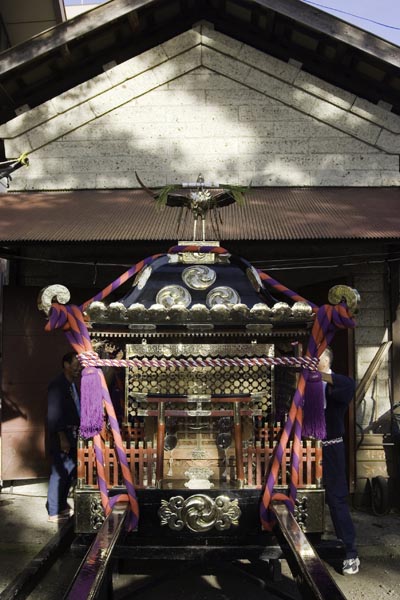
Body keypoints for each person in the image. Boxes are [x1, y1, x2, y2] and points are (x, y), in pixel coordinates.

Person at [318, 346, 360, 576]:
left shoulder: (337, 383)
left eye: (317, 356)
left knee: (337, 499)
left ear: (326, 359)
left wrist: (320, 376)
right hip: (306, 449)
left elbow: (350, 385)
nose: (313, 360)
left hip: (332, 448)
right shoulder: (305, 385)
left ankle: (350, 553)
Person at [46, 351, 81, 522]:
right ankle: (53, 511)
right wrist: (62, 437)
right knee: (59, 472)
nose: (78, 368)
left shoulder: (72, 385)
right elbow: (53, 414)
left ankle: (61, 505)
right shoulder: (57, 385)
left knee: (69, 471)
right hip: (62, 434)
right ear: (66, 364)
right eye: (76, 364)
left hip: (73, 434)